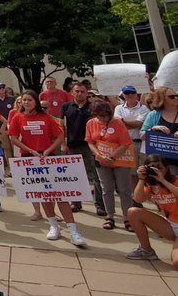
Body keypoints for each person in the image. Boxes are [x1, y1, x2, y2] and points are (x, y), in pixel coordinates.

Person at [9, 87, 86, 246]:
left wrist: (49, 150)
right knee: (43, 195)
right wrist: (30, 150)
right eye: (24, 100)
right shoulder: (18, 117)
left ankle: (73, 230)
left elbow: (60, 135)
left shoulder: (45, 117)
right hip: (30, 158)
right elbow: (13, 138)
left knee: (60, 195)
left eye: (29, 100)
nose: (26, 102)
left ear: (35, 102)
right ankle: (53, 226)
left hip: (48, 157)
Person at [85, 100, 136, 230]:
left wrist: (112, 157)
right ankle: (110, 216)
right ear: (95, 114)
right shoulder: (90, 123)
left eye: (106, 115)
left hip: (120, 160)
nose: (104, 118)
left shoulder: (118, 123)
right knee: (106, 189)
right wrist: (98, 155)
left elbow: (125, 143)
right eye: (100, 116)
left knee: (124, 190)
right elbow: (90, 142)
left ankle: (128, 218)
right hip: (101, 161)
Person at [61, 82, 105, 216]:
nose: (80, 94)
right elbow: (62, 127)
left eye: (82, 91)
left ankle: (100, 205)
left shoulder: (93, 107)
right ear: (72, 93)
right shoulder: (66, 107)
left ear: (87, 93)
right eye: (77, 91)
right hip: (73, 145)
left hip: (91, 146)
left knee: (97, 176)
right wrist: (63, 144)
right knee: (75, 176)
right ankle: (76, 202)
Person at [126, 159, 178, 267]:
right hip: (171, 225)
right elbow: (138, 199)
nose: (156, 170)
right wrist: (141, 179)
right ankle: (147, 251)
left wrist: (162, 180)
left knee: (176, 263)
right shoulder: (151, 185)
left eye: (159, 167)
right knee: (133, 212)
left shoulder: (175, 180)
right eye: (152, 167)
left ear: (166, 169)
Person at [114, 86, 149, 167]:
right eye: (127, 93)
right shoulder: (118, 108)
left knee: (145, 168)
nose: (130, 95)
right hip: (126, 144)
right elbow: (118, 125)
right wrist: (136, 124)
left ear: (136, 94)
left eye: (132, 92)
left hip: (142, 143)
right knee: (131, 171)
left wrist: (124, 121)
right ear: (123, 95)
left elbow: (140, 124)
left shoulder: (144, 108)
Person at [140, 87, 178, 153]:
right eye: (171, 97)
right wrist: (153, 129)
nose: (176, 98)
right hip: (160, 156)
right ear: (161, 99)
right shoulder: (153, 114)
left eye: (177, 96)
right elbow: (142, 137)